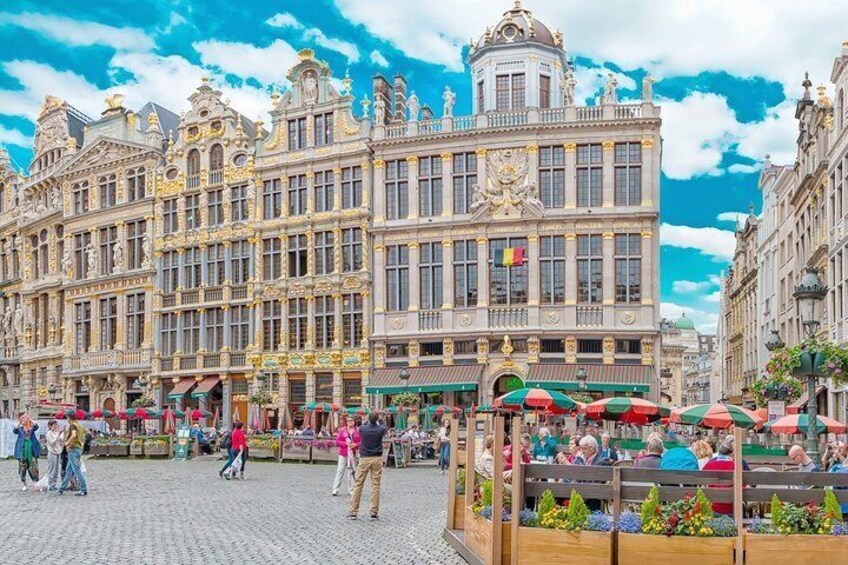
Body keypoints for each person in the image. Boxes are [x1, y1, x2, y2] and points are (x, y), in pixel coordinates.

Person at [347, 412, 388, 521]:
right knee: (376, 486)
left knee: (358, 484)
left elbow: (363, 425)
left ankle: (353, 512)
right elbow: (384, 425)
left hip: (364, 458)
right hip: (377, 458)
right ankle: (374, 512)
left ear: (368, 419)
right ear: (377, 419)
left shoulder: (362, 429)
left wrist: (367, 420)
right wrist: (380, 419)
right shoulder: (380, 429)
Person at [55, 412, 87, 496]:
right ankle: (61, 489)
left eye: (67, 418)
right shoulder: (79, 425)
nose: (67, 420)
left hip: (73, 449)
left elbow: (73, 435)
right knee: (69, 471)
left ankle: (84, 489)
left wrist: (67, 443)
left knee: (77, 470)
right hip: (78, 449)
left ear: (69, 418)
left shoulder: (73, 425)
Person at [12, 413, 41, 491]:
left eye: (25, 419)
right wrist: (19, 423)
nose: (23, 420)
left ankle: (36, 482)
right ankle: (24, 483)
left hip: (31, 450)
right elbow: (14, 431)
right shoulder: (20, 428)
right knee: (22, 468)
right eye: (22, 419)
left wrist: (30, 419)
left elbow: (36, 426)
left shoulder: (31, 428)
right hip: (22, 450)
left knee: (34, 466)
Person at [333, 416, 360, 496]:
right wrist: (345, 444)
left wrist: (355, 445)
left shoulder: (358, 431)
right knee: (340, 470)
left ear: (354, 421)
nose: (349, 422)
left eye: (351, 420)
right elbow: (337, 441)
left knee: (352, 471)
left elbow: (362, 441)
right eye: (348, 420)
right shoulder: (342, 430)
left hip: (353, 453)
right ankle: (335, 489)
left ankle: (351, 489)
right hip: (343, 453)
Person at [45, 419, 64, 492]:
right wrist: (58, 435)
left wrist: (62, 433)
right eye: (54, 425)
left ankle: (54, 484)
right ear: (50, 426)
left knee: (56, 470)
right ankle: (50, 485)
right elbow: (52, 442)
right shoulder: (49, 433)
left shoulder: (57, 432)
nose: (56, 426)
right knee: (52, 470)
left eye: (56, 425)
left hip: (58, 452)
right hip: (52, 452)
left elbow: (61, 440)